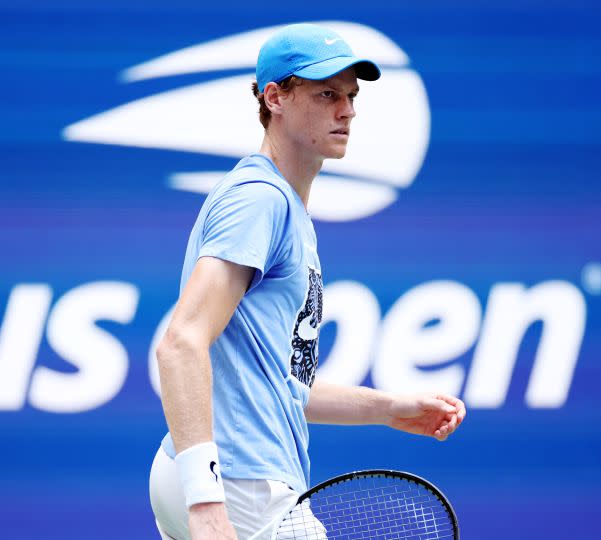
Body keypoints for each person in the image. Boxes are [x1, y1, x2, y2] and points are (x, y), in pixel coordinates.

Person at [149, 23, 466, 540]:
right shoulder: (261, 200)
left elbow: (277, 384)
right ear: (274, 97)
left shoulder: (284, 208)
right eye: (326, 94)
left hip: (225, 476)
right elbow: (180, 343)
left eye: (350, 96)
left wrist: (389, 409)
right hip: (241, 483)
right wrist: (206, 501)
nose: (347, 111)